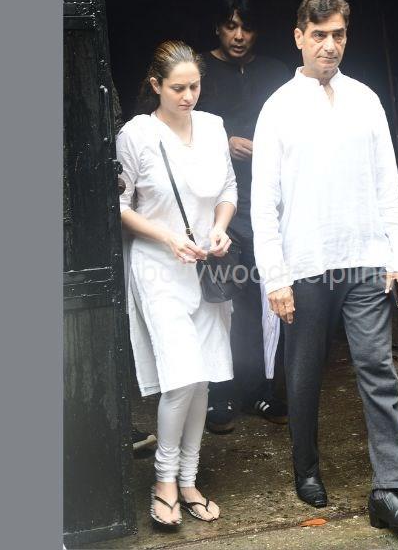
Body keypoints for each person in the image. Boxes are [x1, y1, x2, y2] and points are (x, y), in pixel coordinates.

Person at [251, 0, 398, 530]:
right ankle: (306, 468)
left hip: (365, 259)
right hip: (305, 263)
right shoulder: (278, 108)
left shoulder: (365, 100)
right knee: (304, 375)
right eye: (319, 35)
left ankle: (389, 489)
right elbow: (263, 203)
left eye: (339, 35)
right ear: (299, 36)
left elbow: (388, 184)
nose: (330, 45)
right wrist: (275, 277)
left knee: (378, 369)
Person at [117, 40, 237, 528]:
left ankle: (188, 479)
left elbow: (228, 189)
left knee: (202, 376)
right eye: (178, 88)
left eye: (195, 87)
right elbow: (118, 205)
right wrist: (167, 236)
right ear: (156, 86)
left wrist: (220, 228)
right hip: (157, 267)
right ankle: (164, 481)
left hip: (204, 268)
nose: (189, 97)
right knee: (181, 376)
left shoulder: (213, 127)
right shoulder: (136, 135)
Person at [196, 0, 291, 434]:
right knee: (221, 299)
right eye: (230, 26)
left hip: (270, 200)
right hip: (214, 203)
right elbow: (176, 127)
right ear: (216, 26)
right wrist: (224, 142)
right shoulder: (199, 71)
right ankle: (220, 393)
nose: (238, 36)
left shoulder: (277, 73)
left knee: (267, 295)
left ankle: (263, 388)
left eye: (246, 27)